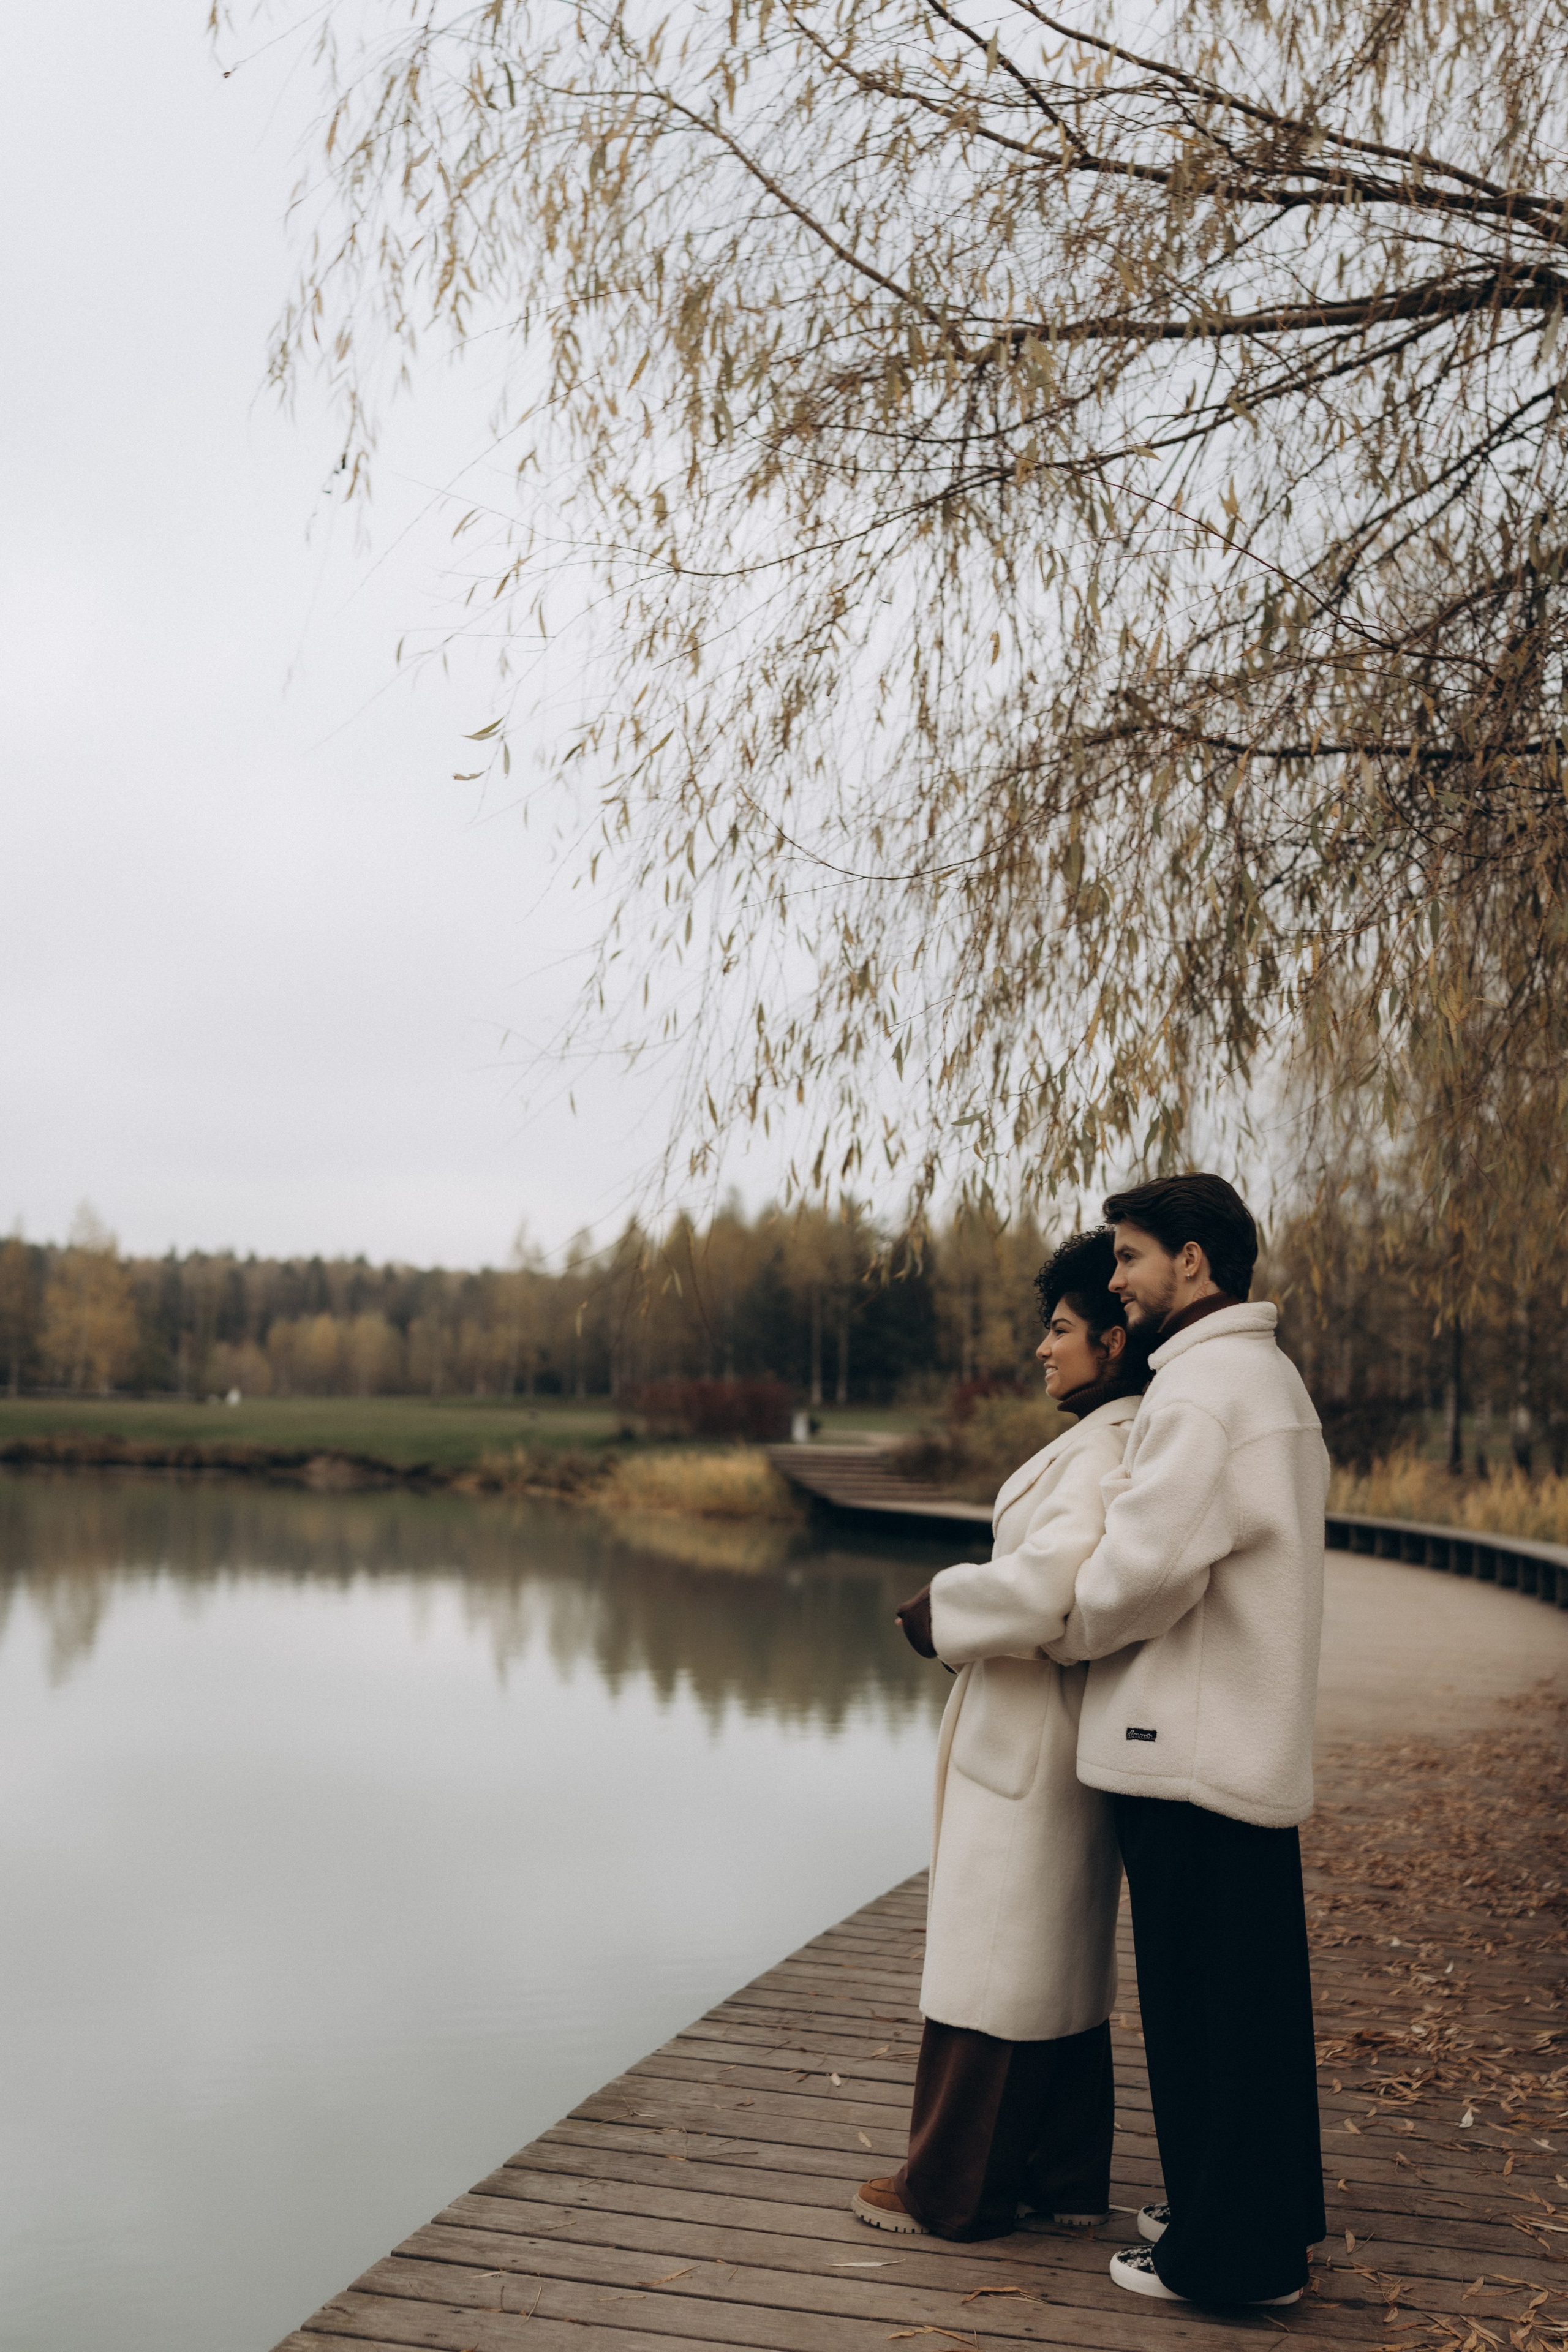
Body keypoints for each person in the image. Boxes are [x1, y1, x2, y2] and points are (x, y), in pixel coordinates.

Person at [1045, 1173, 1329, 2307]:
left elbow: (1145, 1567)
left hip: (1191, 1743)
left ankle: (1227, 2260)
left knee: (1204, 2006)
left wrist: (1068, 1629)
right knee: (1248, 2003)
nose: (1115, 1280)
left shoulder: (1204, 1390)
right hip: (1238, 1735)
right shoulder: (1264, 1379)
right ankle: (1246, 2208)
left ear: (1193, 1264)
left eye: (1129, 1257)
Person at [852, 1229, 1152, 2242]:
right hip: (1040, 1732)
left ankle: (954, 2186)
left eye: (1061, 1329)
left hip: (1031, 1736)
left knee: (995, 1965)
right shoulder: (1110, 1439)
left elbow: (1051, 1581)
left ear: (1114, 1341)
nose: (1043, 1348)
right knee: (1045, 1963)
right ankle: (1059, 2178)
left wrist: (941, 1609)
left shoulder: (1108, 1448)